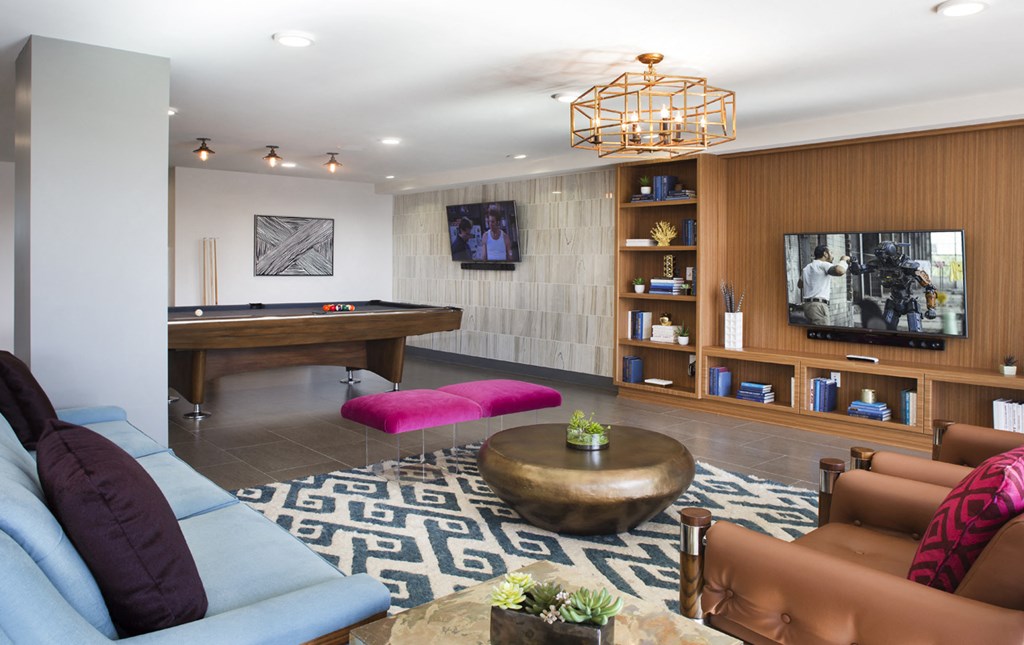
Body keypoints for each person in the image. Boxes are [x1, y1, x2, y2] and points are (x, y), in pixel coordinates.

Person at [798, 244, 849, 326]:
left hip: (807, 306)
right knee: (823, 333)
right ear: (825, 254)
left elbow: (800, 285)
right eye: (831, 253)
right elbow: (840, 271)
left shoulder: (807, 267)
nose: (832, 255)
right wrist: (843, 260)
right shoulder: (823, 264)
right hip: (819, 306)